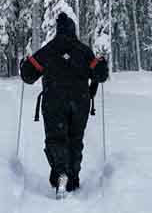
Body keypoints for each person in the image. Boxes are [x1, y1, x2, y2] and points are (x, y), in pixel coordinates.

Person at [20, 11, 109, 196]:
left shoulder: (49, 49)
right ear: (73, 30)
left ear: (57, 30)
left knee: (55, 139)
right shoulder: (83, 50)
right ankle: (73, 179)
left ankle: (61, 173)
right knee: (75, 140)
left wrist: (24, 64)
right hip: (80, 103)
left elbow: (28, 76)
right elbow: (100, 75)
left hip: (53, 102)